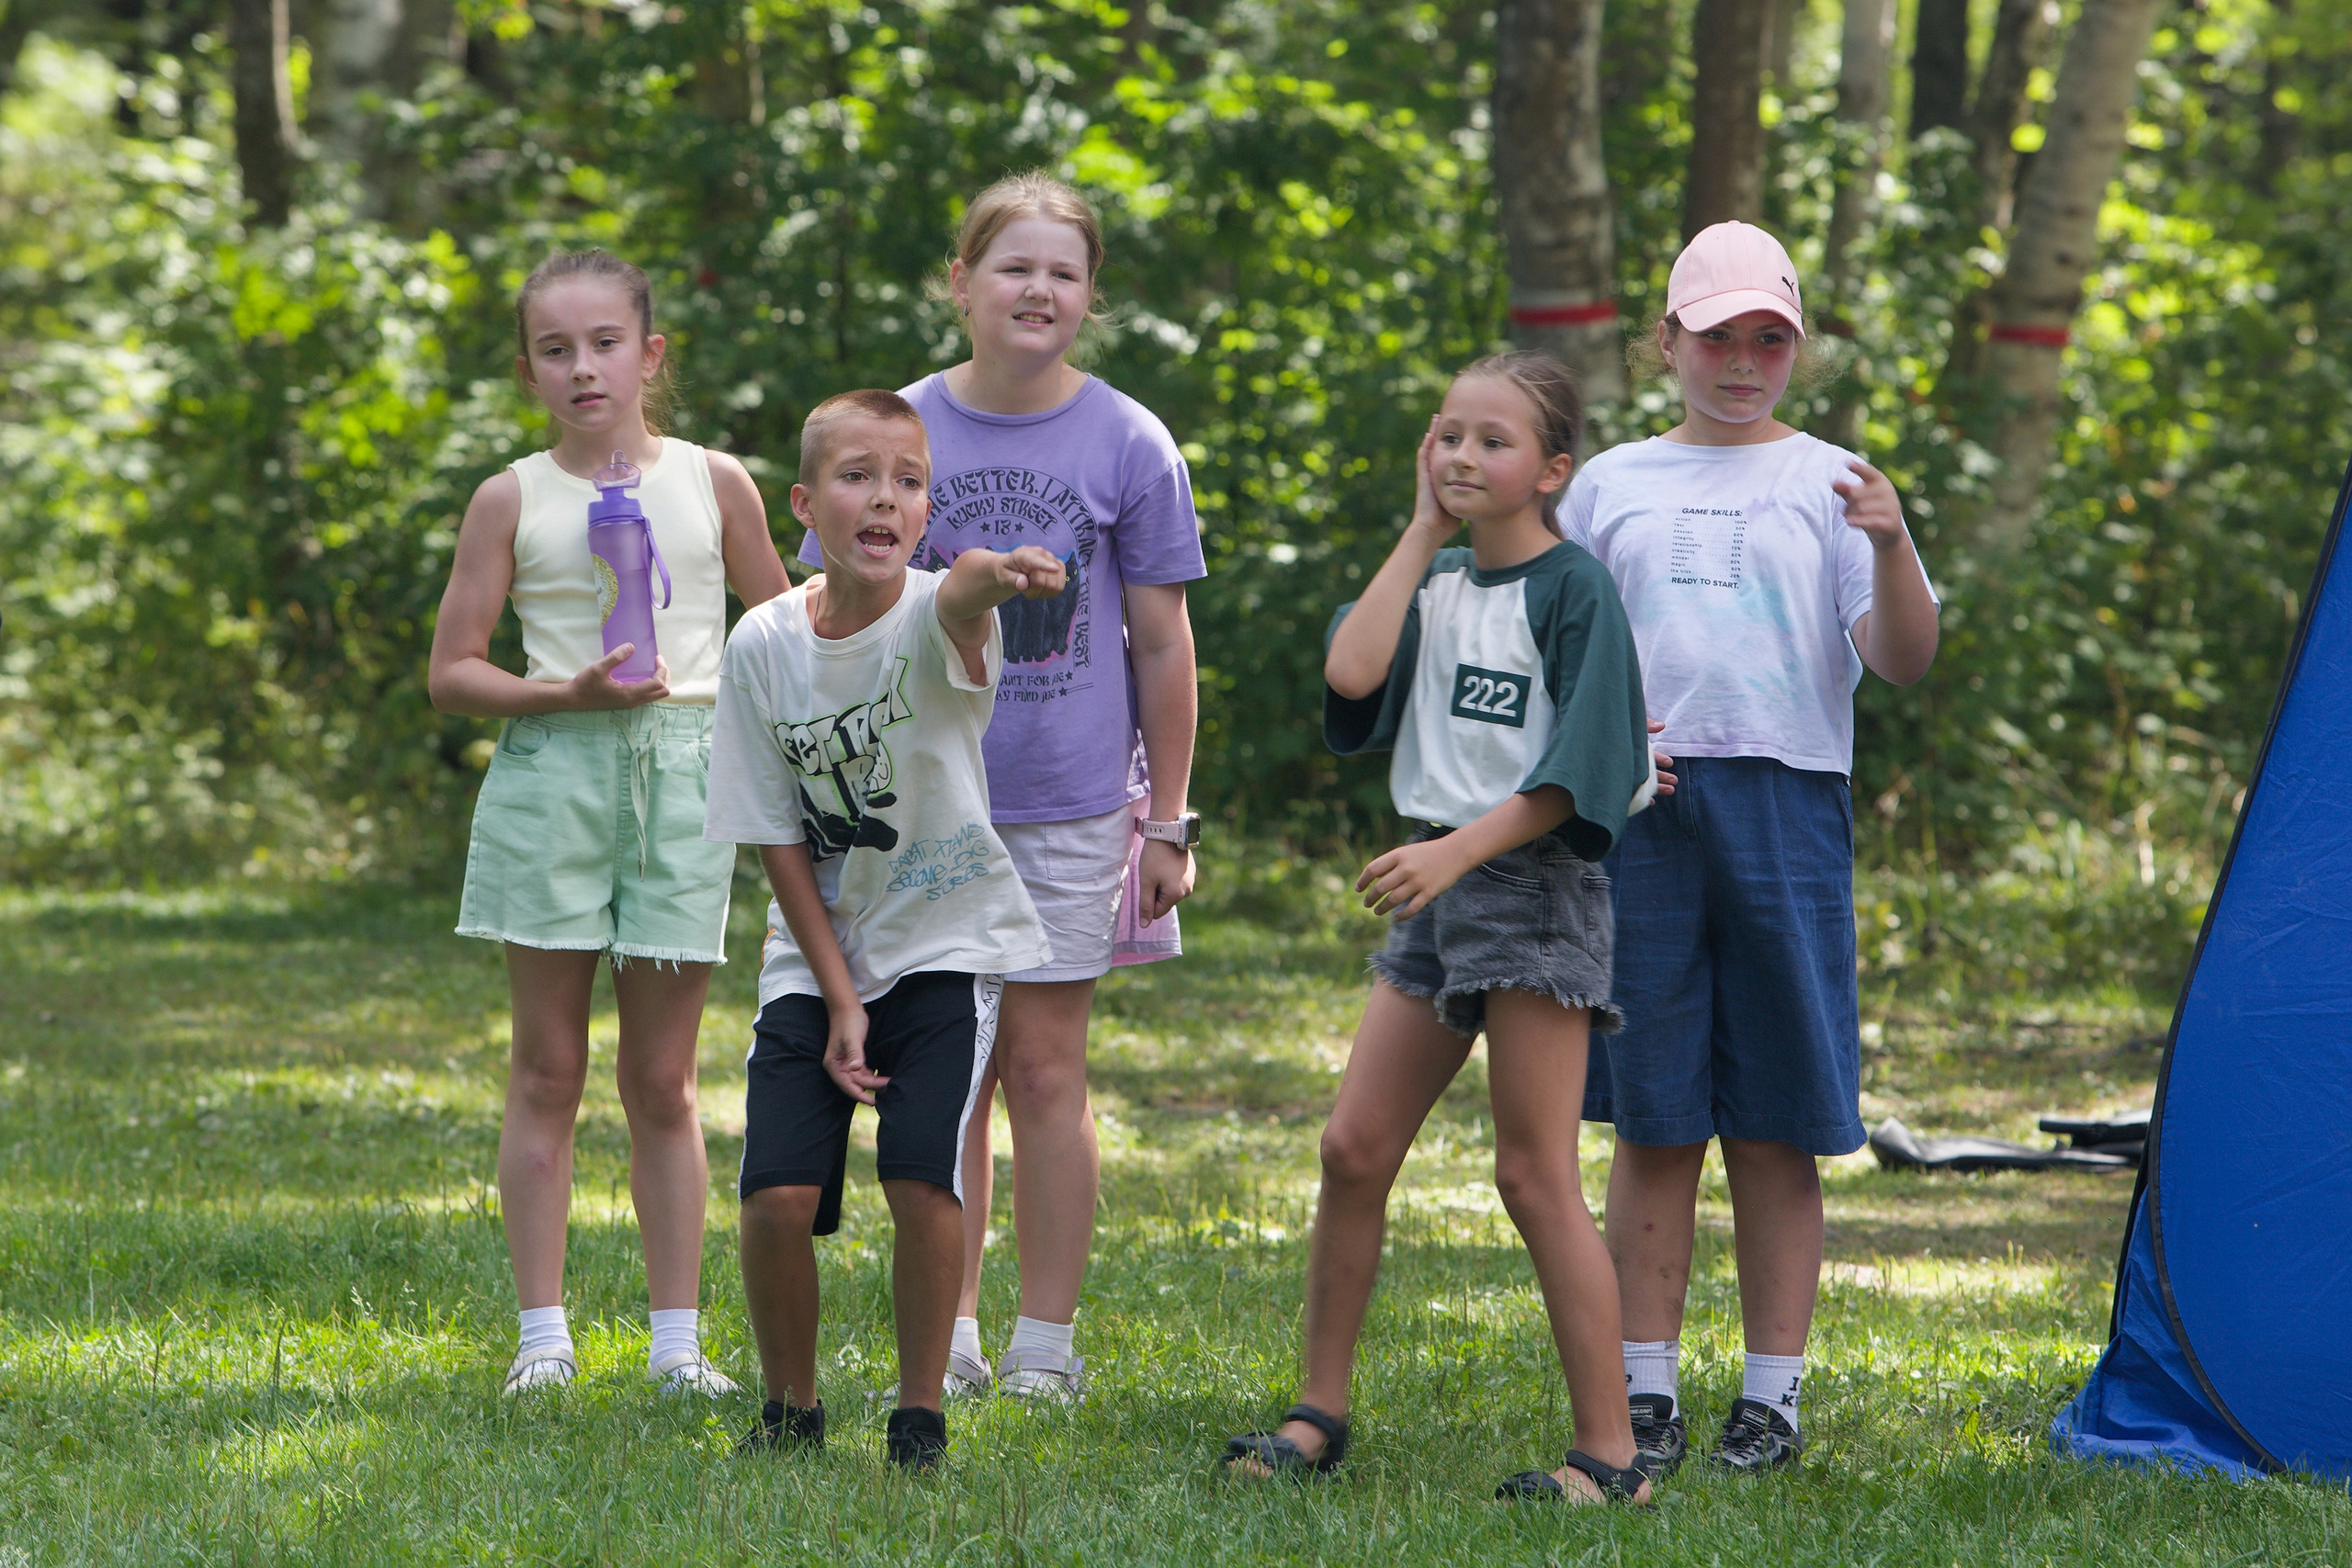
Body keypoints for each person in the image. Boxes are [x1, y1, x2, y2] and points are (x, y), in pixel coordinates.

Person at [1222, 353, 1662, 1504]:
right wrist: (1420, 530)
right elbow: (1352, 670)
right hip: (1435, 883)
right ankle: (1318, 1412)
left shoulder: (1575, 590)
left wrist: (1455, 851)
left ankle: (1611, 1459)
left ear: (1552, 470)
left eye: (1493, 442)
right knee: (1352, 1149)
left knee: (1532, 1175)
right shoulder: (1436, 578)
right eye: (1447, 436)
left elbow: (1589, 775)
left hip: (1530, 885)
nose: (1464, 457)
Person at [795, 174, 1205, 1401]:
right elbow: (833, 610)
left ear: (1089, 298)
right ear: (960, 282)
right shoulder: (897, 426)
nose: (1039, 290)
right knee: (949, 1071)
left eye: (1064, 273)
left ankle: (1045, 1342)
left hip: (1077, 801)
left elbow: (1164, 641)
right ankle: (954, 1331)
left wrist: (1170, 814)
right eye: (1013, 267)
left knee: (1044, 1068)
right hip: (927, 804)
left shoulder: (1130, 440)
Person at [1567, 220, 1940, 1475]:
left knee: (1778, 1116)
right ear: (1665, 340)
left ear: (1798, 346)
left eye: (1767, 338)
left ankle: (1771, 1395)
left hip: (1788, 809)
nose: (1741, 361)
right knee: (1654, 1112)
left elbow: (1901, 657)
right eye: (1715, 336)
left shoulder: (1838, 481)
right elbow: (1559, 647)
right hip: (1643, 812)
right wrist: (1605, 752)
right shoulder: (1607, 482)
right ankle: (1647, 1385)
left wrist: (1891, 542)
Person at [429, 250, 791, 1395]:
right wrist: (565, 696)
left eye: (603, 344)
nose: (582, 368)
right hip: (553, 775)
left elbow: (781, 635)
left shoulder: (713, 479)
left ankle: (677, 1345)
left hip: (688, 781)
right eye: (554, 349)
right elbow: (452, 672)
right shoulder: (511, 497)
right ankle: (544, 1340)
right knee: (545, 1069)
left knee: (665, 1081)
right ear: (530, 370)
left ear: (650, 354)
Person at [707, 389, 1067, 1469]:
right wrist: (838, 995)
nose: (886, 498)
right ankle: (789, 1409)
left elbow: (957, 599)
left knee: (921, 1179)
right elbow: (774, 833)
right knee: (775, 1196)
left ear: (926, 512)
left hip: (947, 948)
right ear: (805, 506)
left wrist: (997, 572)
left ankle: (919, 1414)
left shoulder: (944, 612)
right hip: (817, 958)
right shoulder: (763, 642)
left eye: (909, 482)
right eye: (859, 477)